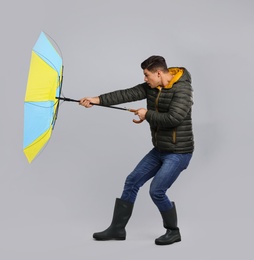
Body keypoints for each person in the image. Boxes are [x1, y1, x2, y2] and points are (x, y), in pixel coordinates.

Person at [79, 55, 194, 245]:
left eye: (146, 75)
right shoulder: (153, 86)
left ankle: (173, 231)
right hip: (159, 149)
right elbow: (125, 94)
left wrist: (147, 114)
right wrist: (96, 100)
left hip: (179, 152)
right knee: (132, 181)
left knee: (157, 190)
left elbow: (174, 118)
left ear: (158, 73)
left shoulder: (182, 89)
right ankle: (117, 229)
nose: (144, 79)